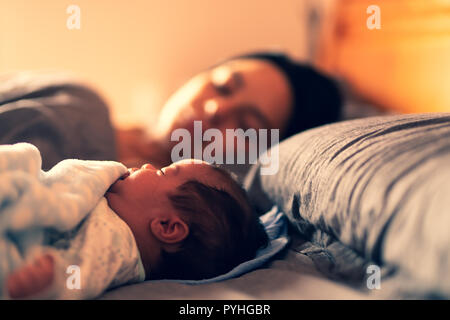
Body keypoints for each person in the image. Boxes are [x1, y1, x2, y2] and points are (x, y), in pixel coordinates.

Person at [0, 52, 342, 172]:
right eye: (222, 86)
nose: (215, 109)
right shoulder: (75, 96)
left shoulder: (148, 228)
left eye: (246, 126)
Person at [5, 159, 268, 299]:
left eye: (163, 173)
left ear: (166, 226)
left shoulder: (118, 247)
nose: (148, 166)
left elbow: (81, 274)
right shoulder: (114, 209)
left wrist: (50, 281)